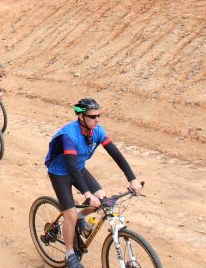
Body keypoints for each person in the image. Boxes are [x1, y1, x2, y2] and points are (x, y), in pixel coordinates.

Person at [44, 98, 142, 268]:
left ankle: (82, 220)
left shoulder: (97, 130)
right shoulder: (69, 135)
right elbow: (71, 167)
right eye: (93, 116)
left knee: (103, 200)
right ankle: (69, 255)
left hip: (79, 168)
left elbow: (116, 154)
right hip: (61, 172)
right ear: (81, 117)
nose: (97, 119)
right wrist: (87, 194)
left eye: (99, 115)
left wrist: (132, 179)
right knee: (71, 215)